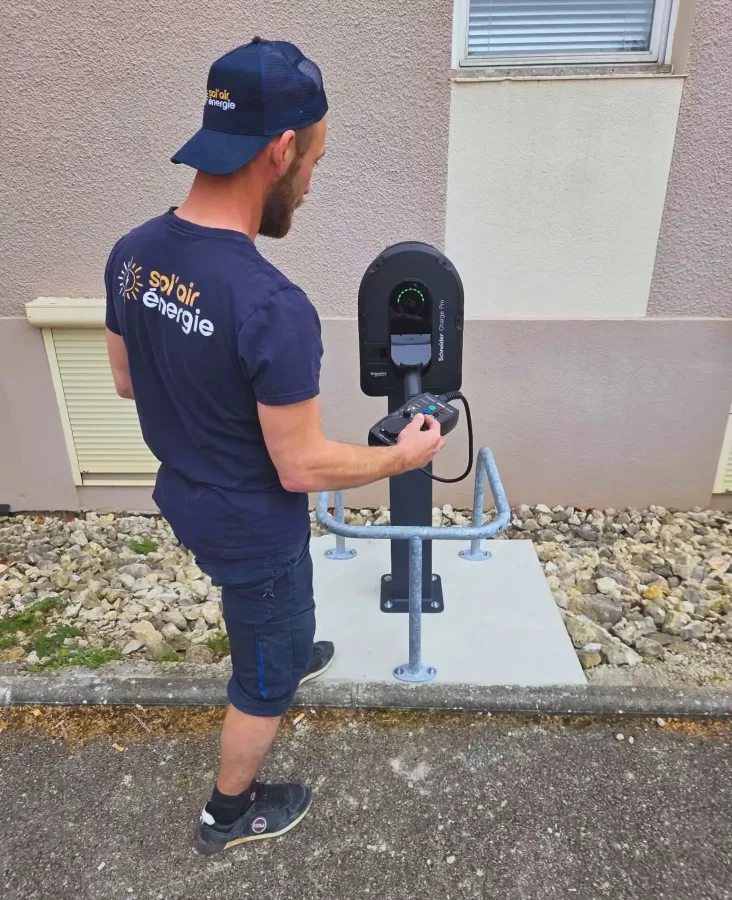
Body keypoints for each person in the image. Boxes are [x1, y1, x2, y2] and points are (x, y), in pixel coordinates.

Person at [104, 38, 446, 855]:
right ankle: (230, 810)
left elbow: (125, 381)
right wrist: (402, 457)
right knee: (262, 677)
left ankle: (288, 641)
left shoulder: (133, 254)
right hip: (253, 528)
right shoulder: (270, 303)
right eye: (315, 163)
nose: (311, 183)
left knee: (277, 622)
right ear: (281, 149)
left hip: (187, 492)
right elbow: (302, 465)